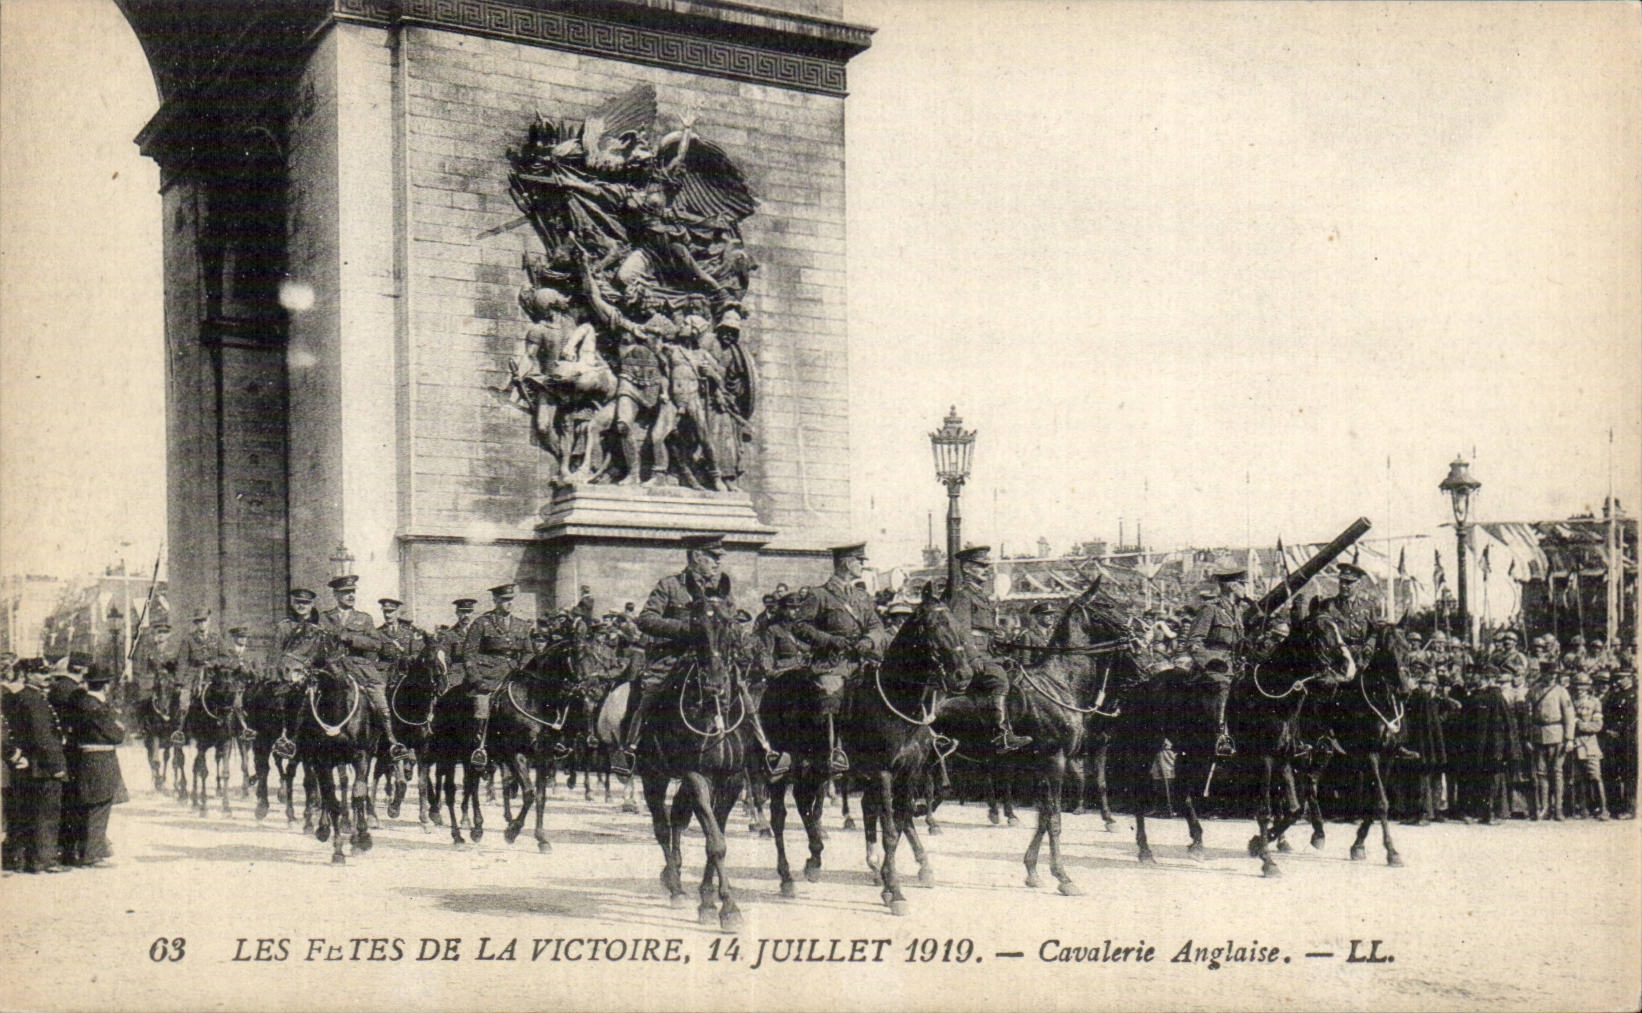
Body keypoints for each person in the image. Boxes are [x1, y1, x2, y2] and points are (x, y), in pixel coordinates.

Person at [615, 533, 788, 777]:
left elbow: (732, 621)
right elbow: (646, 619)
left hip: (713, 658)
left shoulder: (721, 589)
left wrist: (732, 635)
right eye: (712, 557)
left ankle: (765, 750)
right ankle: (630, 750)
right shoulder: (671, 585)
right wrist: (687, 630)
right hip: (675, 656)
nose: (718, 562)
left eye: (719, 558)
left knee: (743, 693)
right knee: (650, 692)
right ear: (696, 557)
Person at [788, 543, 888, 773]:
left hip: (862, 661)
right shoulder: (819, 595)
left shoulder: (861, 596)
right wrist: (829, 640)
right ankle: (834, 752)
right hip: (832, 663)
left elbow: (877, 626)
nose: (862, 565)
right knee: (833, 698)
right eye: (859, 560)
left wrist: (868, 642)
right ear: (845, 562)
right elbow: (800, 626)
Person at [946, 545, 1032, 754]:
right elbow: (962, 630)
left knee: (1017, 673)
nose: (986, 569)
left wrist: (999, 636)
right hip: (973, 655)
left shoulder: (981, 596)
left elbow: (985, 630)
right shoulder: (963, 595)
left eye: (986, 565)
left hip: (989, 652)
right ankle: (1001, 734)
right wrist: (973, 657)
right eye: (981, 566)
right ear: (967, 568)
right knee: (998, 679)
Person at [320, 576, 409, 760]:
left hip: (359, 668)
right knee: (308, 694)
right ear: (336, 595)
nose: (350, 596)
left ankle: (392, 740)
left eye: (352, 592)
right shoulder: (324, 618)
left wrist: (352, 639)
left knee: (379, 694)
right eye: (345, 593)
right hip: (330, 666)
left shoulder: (364, 618)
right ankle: (292, 739)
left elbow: (376, 644)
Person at [57, 658, 126, 868]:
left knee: (88, 805)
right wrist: (119, 726)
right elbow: (117, 735)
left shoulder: (81, 703)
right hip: (100, 760)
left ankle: (83, 850)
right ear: (106, 685)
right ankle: (92, 854)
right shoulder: (95, 707)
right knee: (100, 805)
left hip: (86, 759)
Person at [3, 659, 68, 873]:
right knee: (47, 813)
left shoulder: (20, 697)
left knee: (30, 812)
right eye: (40, 673)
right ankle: (44, 860)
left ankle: (27, 858)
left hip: (29, 764)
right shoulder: (34, 700)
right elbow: (43, 737)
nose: (45, 677)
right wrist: (56, 764)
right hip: (43, 765)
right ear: (27, 674)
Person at [461, 583, 533, 767]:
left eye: (511, 600)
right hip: (488, 677)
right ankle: (480, 748)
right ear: (495, 601)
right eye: (504, 600)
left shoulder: (521, 625)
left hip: (514, 677)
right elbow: (469, 653)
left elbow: (529, 652)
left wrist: (522, 668)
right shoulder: (482, 623)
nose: (509, 604)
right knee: (482, 707)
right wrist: (476, 679)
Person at [1183, 566, 1249, 757]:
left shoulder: (1237, 612)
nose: (1245, 588)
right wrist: (1211, 662)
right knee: (1222, 686)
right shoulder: (1210, 609)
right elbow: (1194, 642)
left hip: (1234, 665)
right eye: (1242, 584)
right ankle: (1222, 737)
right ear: (1230, 586)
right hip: (1214, 669)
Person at [1526, 660, 1577, 820]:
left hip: (1557, 735)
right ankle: (1544, 808)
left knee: (1557, 772)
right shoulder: (1534, 690)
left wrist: (1569, 738)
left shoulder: (1562, 692)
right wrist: (1528, 737)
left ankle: (1558, 809)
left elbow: (1569, 716)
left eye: (1555, 674)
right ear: (1543, 674)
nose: (1552, 677)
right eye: (1550, 674)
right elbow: (1528, 716)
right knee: (1541, 773)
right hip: (1538, 734)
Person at [170, 608, 221, 741]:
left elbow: (226, 657)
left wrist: (215, 663)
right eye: (198, 622)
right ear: (195, 624)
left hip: (213, 675)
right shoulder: (188, 639)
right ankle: (179, 732)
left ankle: (237, 727)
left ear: (209, 621)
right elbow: (182, 661)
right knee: (184, 700)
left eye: (204, 621)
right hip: (193, 675)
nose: (201, 624)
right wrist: (179, 683)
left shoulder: (216, 638)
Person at [1570, 672, 1608, 820]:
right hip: (1574, 743)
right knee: (1578, 777)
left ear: (1588, 686)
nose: (1580, 688)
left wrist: (1580, 725)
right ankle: (1582, 808)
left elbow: (1598, 725)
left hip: (1589, 744)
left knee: (1595, 776)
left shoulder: (1594, 702)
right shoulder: (1570, 701)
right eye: (1577, 685)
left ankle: (1603, 809)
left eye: (1583, 685)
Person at [376, 598, 427, 691]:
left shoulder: (409, 632)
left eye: (390, 611)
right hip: (386, 673)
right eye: (385, 612)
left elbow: (417, 652)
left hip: (406, 671)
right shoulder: (378, 633)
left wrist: (410, 658)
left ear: (397, 611)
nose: (387, 615)